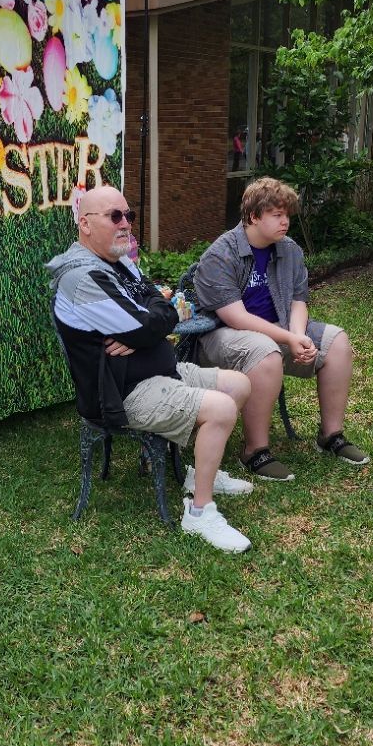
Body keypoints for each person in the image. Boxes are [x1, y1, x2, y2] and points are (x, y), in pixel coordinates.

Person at [47, 185, 255, 553]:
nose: (126, 224)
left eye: (129, 215)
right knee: (221, 408)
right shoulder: (82, 278)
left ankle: (196, 475)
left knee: (238, 385)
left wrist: (148, 323)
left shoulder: (119, 261)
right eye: (115, 216)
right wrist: (149, 324)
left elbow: (159, 311)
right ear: (85, 224)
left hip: (152, 372)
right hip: (120, 394)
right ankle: (199, 514)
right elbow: (152, 321)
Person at [192, 176, 369, 481]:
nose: (285, 221)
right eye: (277, 215)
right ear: (253, 217)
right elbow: (235, 317)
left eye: (287, 214)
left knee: (337, 341)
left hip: (278, 329)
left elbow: (298, 300)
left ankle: (331, 435)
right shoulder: (221, 254)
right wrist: (288, 337)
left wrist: (298, 335)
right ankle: (254, 450)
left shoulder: (289, 250)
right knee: (266, 352)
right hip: (219, 337)